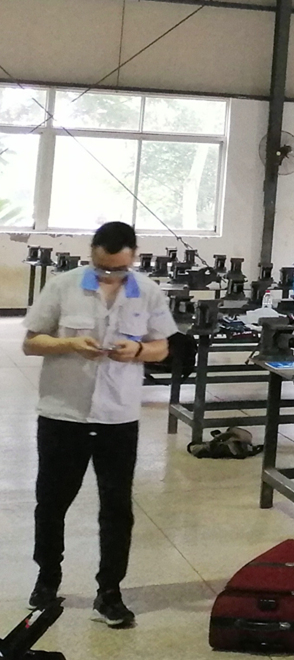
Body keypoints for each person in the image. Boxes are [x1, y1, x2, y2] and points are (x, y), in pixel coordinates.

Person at [25, 221, 177, 627]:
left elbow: (162, 346)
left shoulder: (147, 291)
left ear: (134, 258)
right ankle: (47, 579)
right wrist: (69, 343)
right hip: (64, 414)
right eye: (102, 267)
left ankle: (109, 593)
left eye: (118, 269)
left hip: (117, 417)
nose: (109, 275)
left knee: (116, 507)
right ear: (92, 253)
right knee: (52, 501)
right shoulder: (63, 286)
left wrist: (139, 350)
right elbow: (31, 341)